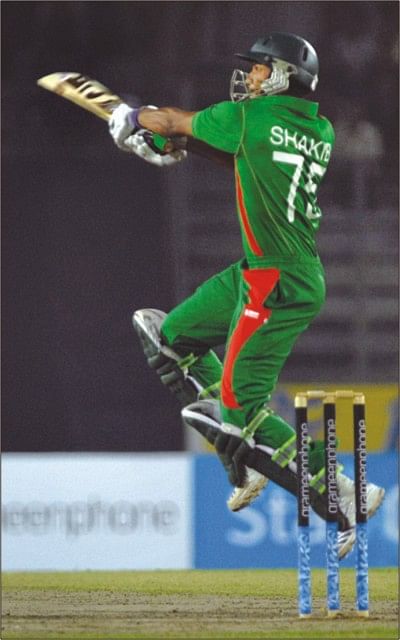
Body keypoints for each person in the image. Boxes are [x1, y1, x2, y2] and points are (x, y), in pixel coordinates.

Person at [108, 32, 384, 559]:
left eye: (260, 68)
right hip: (263, 271)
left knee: (240, 413)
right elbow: (243, 155)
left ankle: (345, 495)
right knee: (170, 337)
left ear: (285, 75)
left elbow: (172, 120)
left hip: (277, 281)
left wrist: (133, 119)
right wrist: (173, 143)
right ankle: (240, 451)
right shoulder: (317, 128)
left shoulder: (250, 118)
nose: (251, 76)